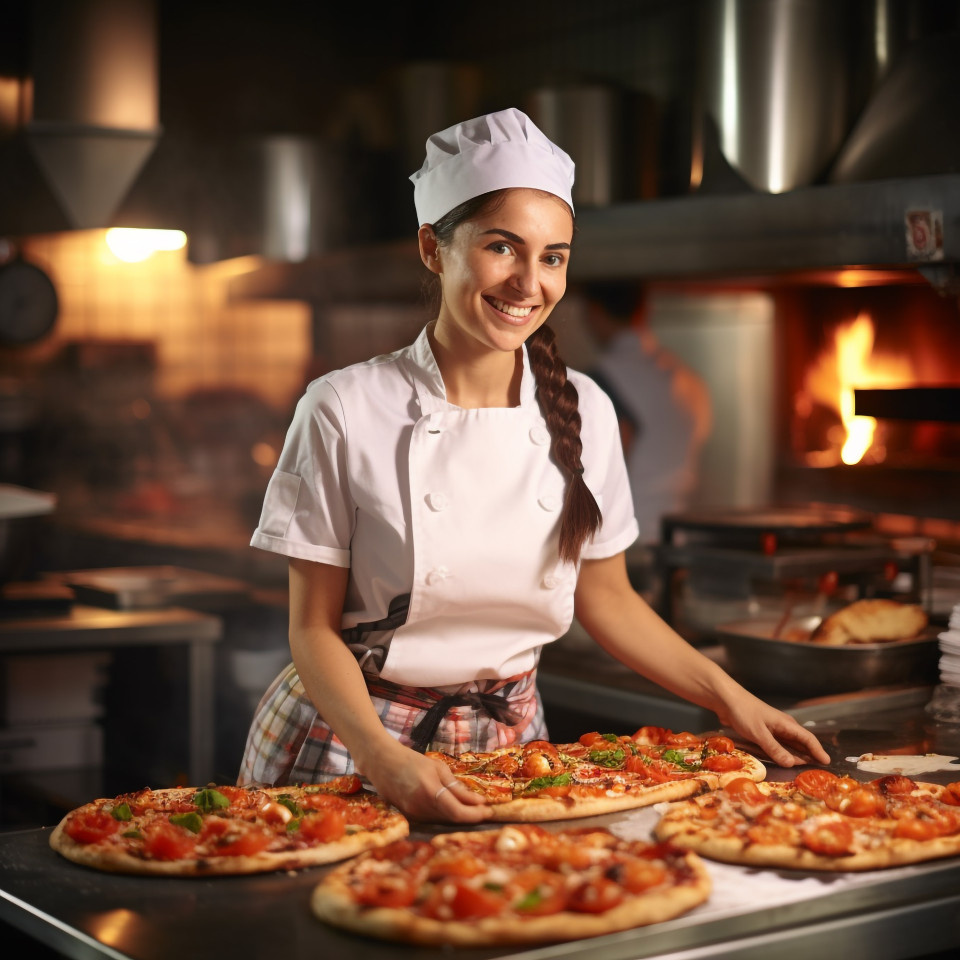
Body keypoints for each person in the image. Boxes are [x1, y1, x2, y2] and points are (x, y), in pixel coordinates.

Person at [238, 107, 829, 823]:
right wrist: (379, 756)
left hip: (514, 745)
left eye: (553, 257)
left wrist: (731, 698)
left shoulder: (586, 409)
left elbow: (606, 599)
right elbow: (312, 630)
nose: (528, 282)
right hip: (348, 744)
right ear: (433, 247)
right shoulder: (342, 407)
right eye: (501, 247)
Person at [581, 281, 713, 546]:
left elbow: (599, 477)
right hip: (680, 539)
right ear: (644, 310)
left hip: (627, 543)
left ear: (593, 312)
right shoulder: (690, 380)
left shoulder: (602, 380)